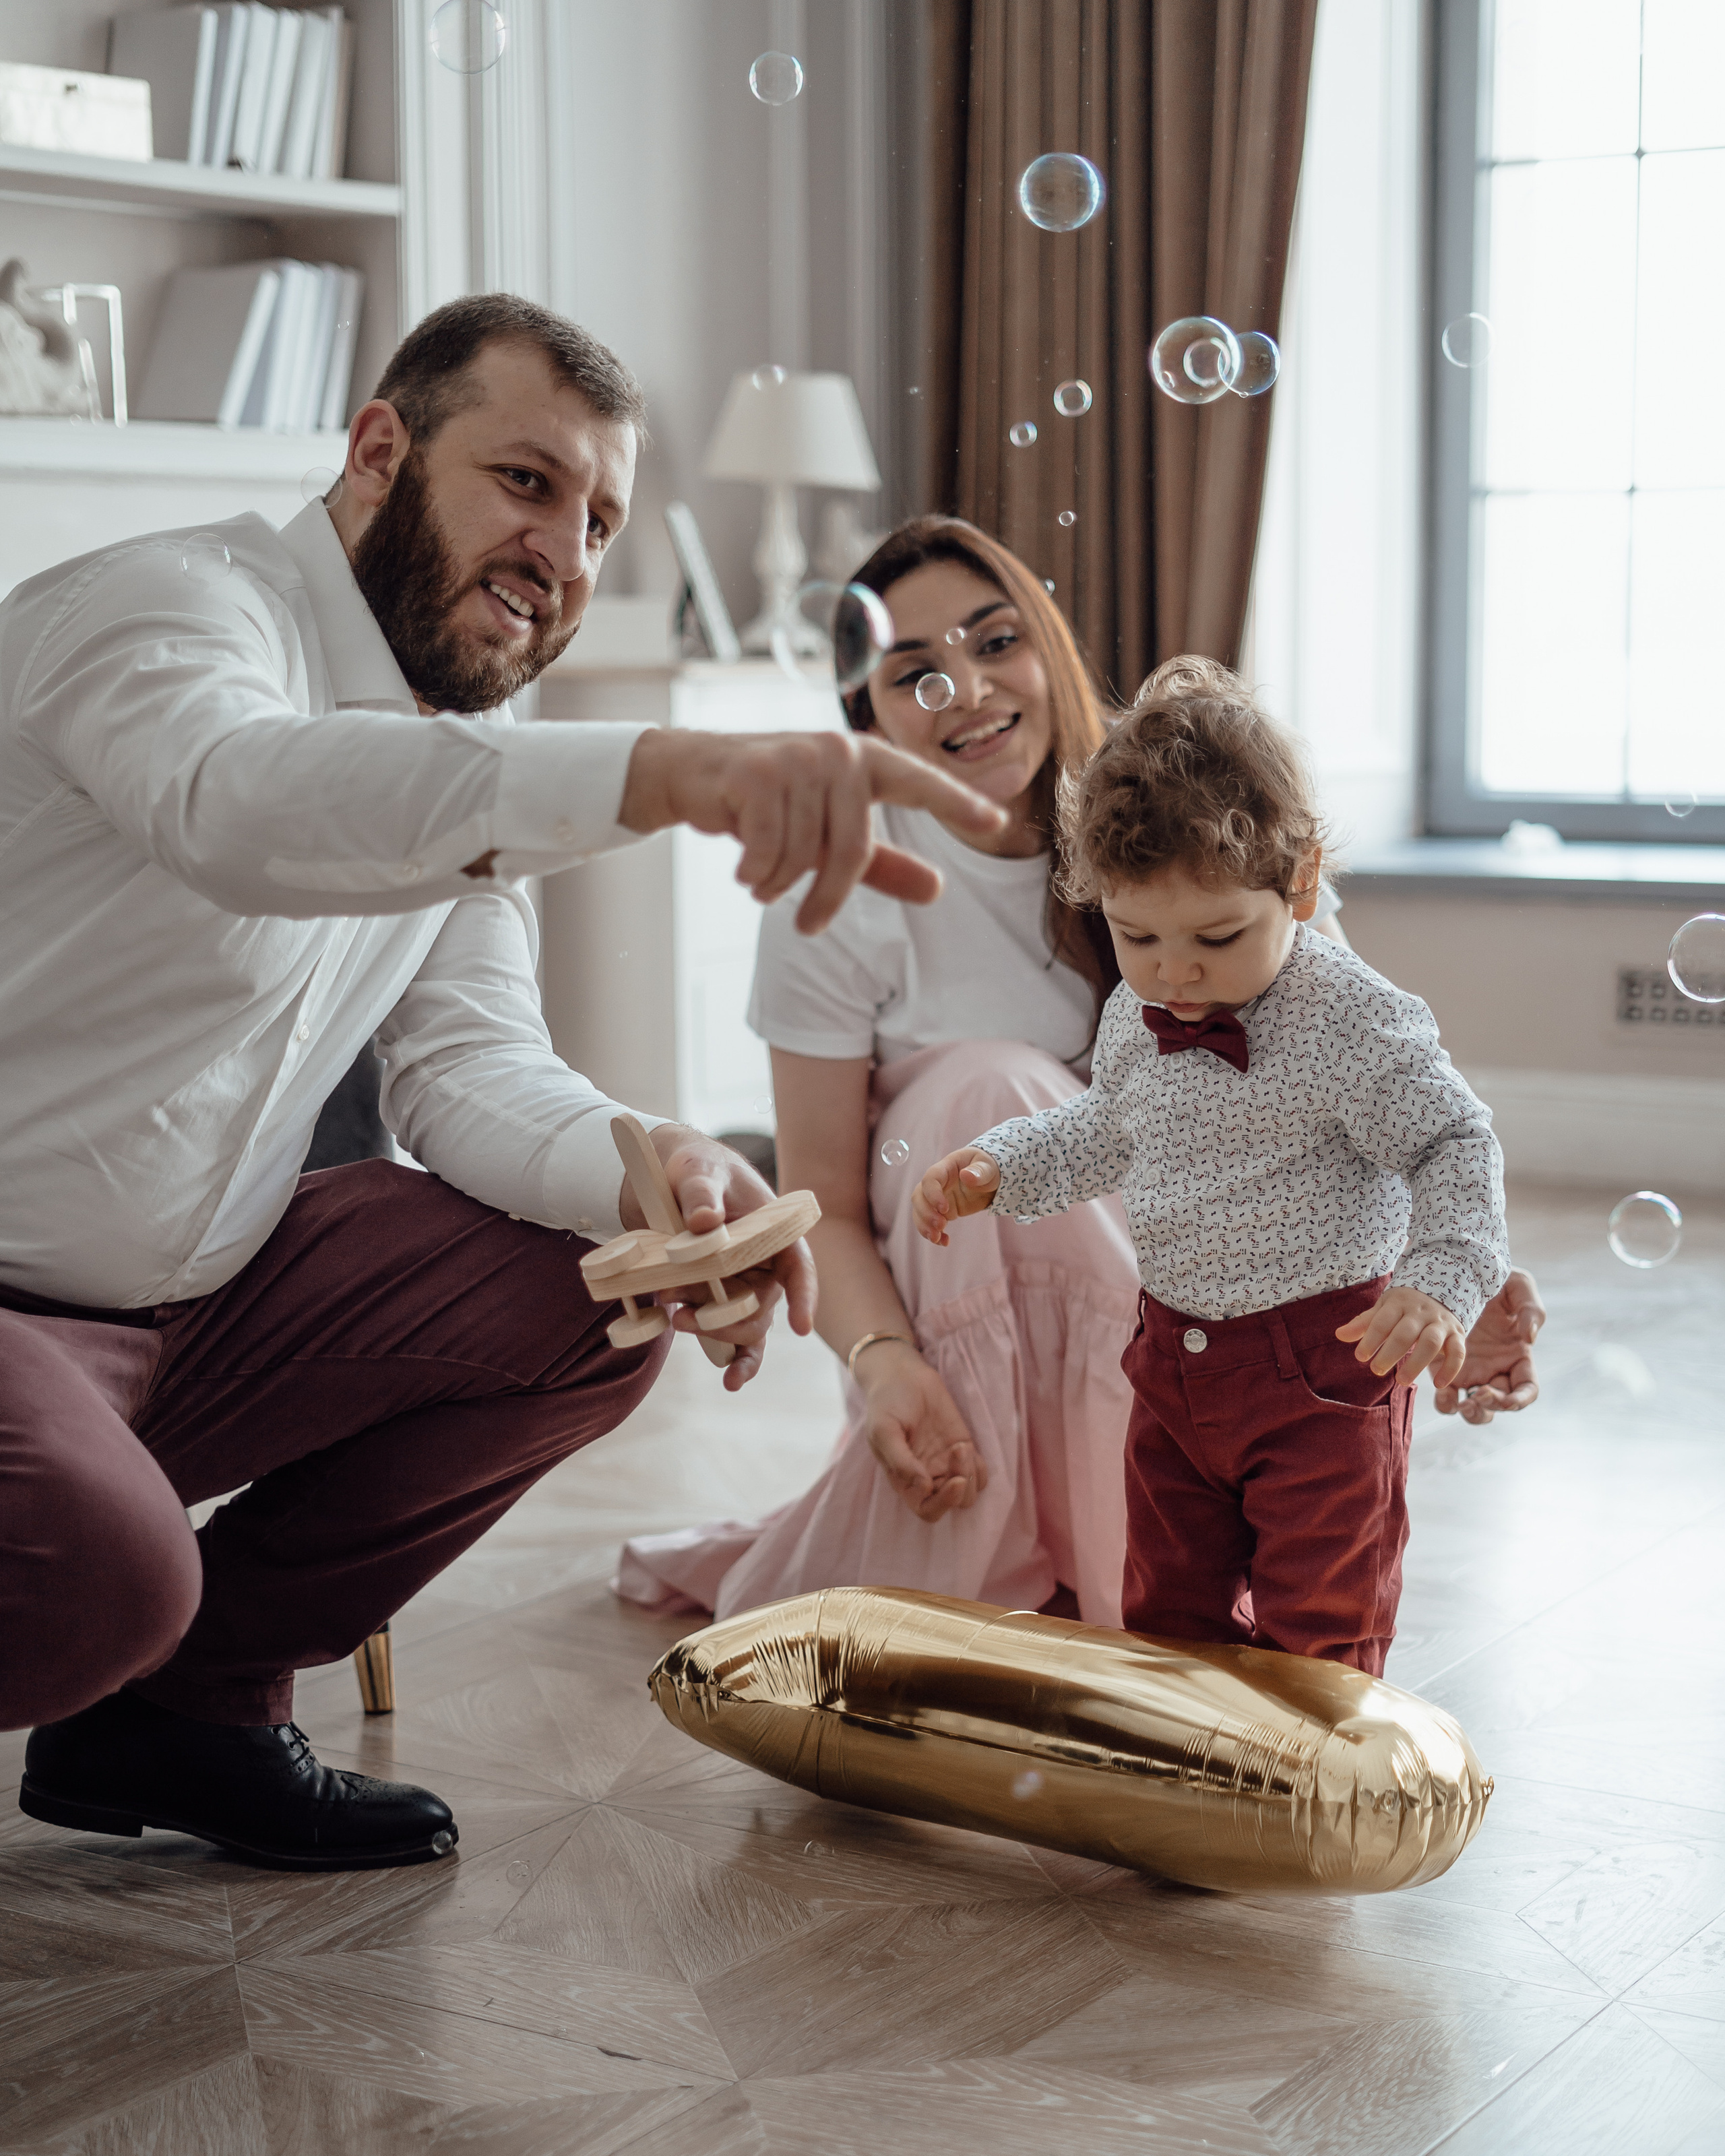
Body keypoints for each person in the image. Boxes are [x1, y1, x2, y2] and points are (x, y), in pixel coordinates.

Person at [0, 296, 1007, 1871]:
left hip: (177, 1318)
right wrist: (668, 770)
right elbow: (236, 807)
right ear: (379, 451)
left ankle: (186, 1717)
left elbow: (469, 1071)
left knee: (592, 1296)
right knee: (107, 1574)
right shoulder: (172, 611)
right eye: (524, 483)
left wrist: (655, 1166)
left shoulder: (457, 750)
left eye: (598, 517)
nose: (564, 549)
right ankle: (139, 1638)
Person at [616, 519, 1545, 1631]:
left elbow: (1373, 1080)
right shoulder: (844, 890)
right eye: (915, 673)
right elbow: (823, 1192)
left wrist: (1463, 1275)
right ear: (864, 717)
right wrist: (884, 1367)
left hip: (1221, 1275)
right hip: (963, 1263)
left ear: (1046, 645)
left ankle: (1170, 1573)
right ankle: (1092, 1565)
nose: (965, 688)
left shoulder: (1201, 811)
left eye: (993, 640)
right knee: (988, 1090)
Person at [914, 663, 1511, 1674]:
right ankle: (1193, 1788)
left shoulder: (1354, 1019)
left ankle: (1314, 1796)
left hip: (1326, 1366)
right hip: (1173, 1368)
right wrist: (1000, 1167)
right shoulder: (1137, 1015)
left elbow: (1457, 1143)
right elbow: (1109, 1127)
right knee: (1167, 1611)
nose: (1175, 972)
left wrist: (1442, 1281)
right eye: (1135, 934)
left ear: (1303, 883)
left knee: (1321, 1616)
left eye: (1217, 936)